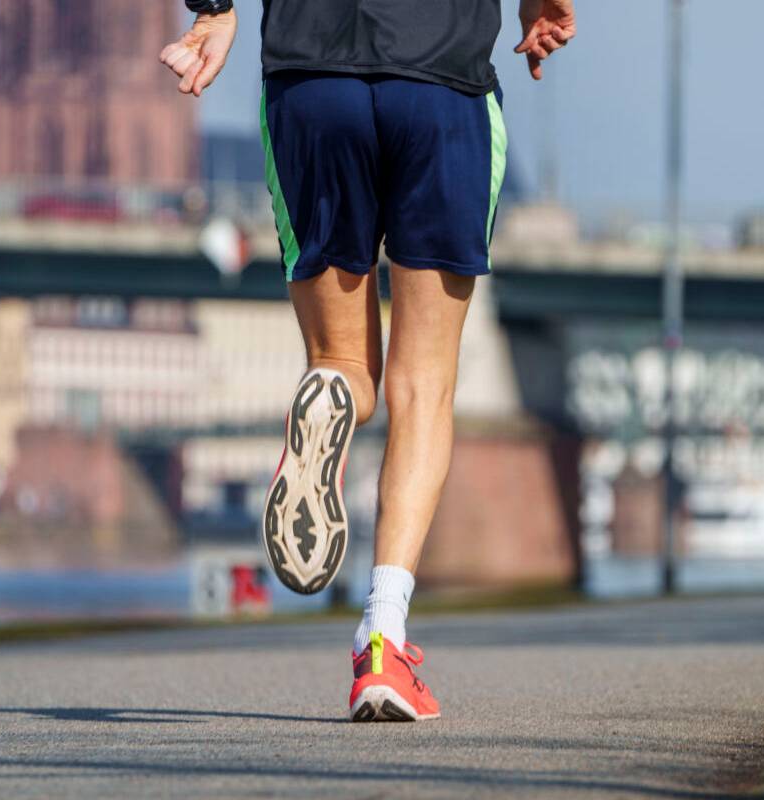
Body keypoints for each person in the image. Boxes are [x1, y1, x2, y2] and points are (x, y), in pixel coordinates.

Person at [162, 0, 576, 722]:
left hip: (310, 79)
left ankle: (332, 388)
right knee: (423, 387)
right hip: (444, 84)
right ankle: (383, 637)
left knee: (342, 360)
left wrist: (212, 12)